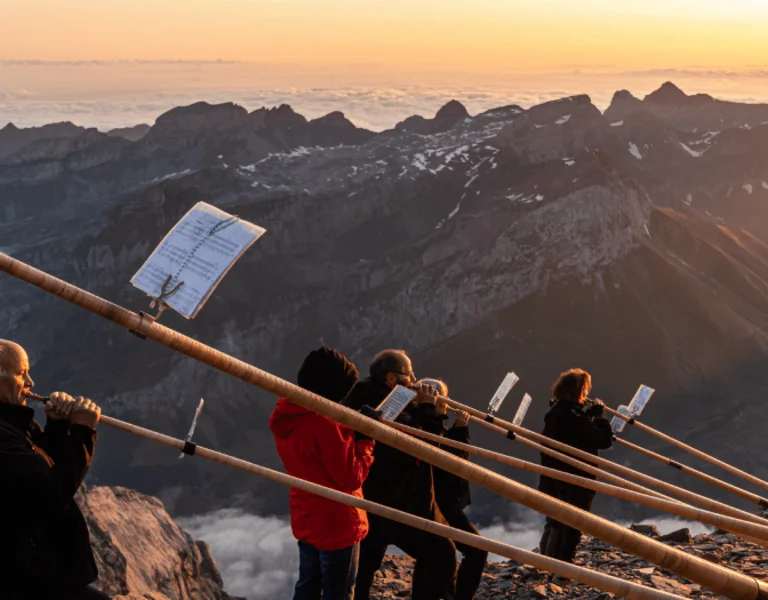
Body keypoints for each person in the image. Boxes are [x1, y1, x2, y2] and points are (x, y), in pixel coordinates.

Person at [344, 350, 457, 600]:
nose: (414, 380)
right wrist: (431, 412)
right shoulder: (386, 404)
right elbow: (425, 449)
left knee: (364, 568)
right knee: (442, 554)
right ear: (391, 380)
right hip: (390, 500)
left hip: (375, 496)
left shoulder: (370, 394)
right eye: (409, 375)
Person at [0, 340, 107, 600]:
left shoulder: (11, 423)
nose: (30, 383)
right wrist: (82, 433)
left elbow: (40, 467)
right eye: (21, 373)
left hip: (37, 573)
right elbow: (52, 494)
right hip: (24, 581)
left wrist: (57, 427)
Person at [269, 347, 375, 600]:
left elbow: (316, 457)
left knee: (307, 583)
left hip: (307, 514)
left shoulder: (286, 413)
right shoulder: (323, 425)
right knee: (337, 592)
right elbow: (351, 477)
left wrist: (346, 428)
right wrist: (366, 439)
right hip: (337, 521)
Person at [537, 368, 613, 567]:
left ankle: (545, 563)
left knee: (554, 520)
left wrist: (588, 415)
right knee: (573, 522)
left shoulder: (555, 411)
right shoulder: (571, 415)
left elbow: (574, 430)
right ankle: (563, 566)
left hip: (553, 477)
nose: (586, 395)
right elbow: (601, 440)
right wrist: (600, 417)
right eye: (585, 390)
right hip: (575, 479)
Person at [419, 378, 488, 600]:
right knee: (467, 552)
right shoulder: (422, 422)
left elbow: (458, 464)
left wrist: (460, 430)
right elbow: (434, 452)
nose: (447, 403)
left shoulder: (438, 424)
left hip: (445, 500)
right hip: (434, 501)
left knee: (432, 558)